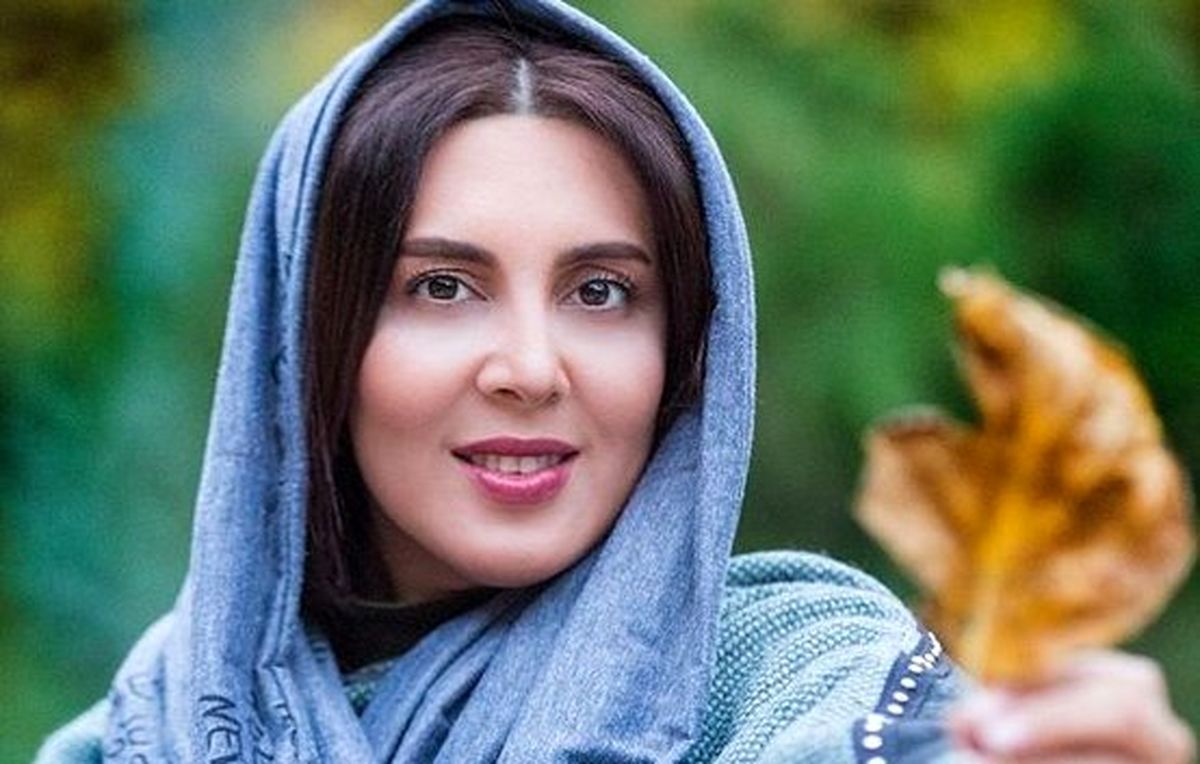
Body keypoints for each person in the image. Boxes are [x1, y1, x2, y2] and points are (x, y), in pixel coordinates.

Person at [37, 1, 1194, 762]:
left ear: (684, 349)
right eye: (441, 286)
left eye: (601, 292)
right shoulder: (145, 730)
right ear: (311, 336)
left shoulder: (802, 677)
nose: (531, 369)